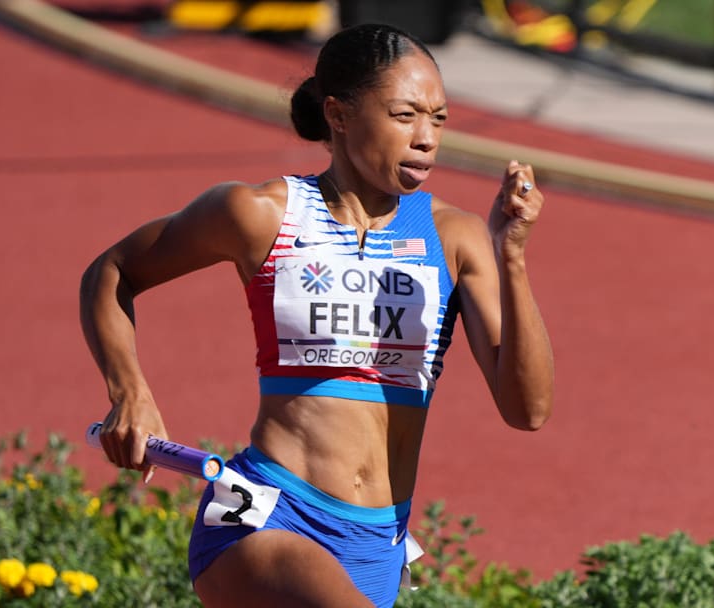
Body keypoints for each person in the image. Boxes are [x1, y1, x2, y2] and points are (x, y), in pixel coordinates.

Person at [79, 22, 554, 608]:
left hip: (378, 543)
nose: (427, 137)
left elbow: (527, 409)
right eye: (405, 115)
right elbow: (111, 273)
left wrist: (512, 256)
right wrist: (130, 392)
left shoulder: (453, 237)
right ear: (339, 114)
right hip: (265, 515)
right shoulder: (259, 213)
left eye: (438, 118)